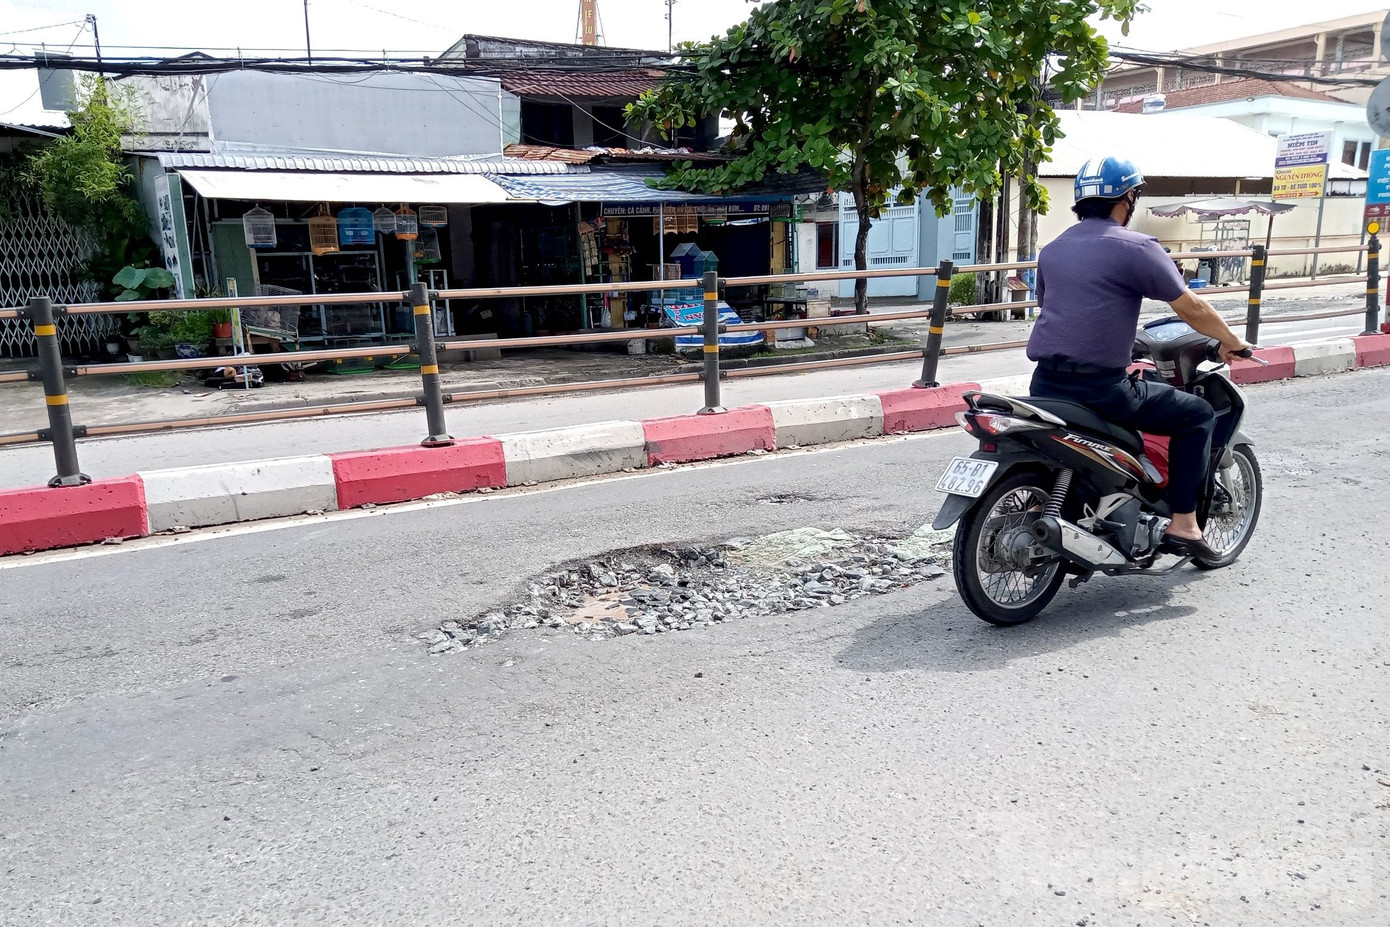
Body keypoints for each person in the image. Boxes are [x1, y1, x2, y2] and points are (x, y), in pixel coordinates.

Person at [1027, 156, 1253, 561]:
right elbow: (1192, 308)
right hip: (1102, 390)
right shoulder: (1135, 247)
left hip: (1045, 382)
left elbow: (1057, 308)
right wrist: (1232, 340)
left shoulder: (1053, 249)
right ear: (1128, 197)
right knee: (1197, 414)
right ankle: (1184, 524)